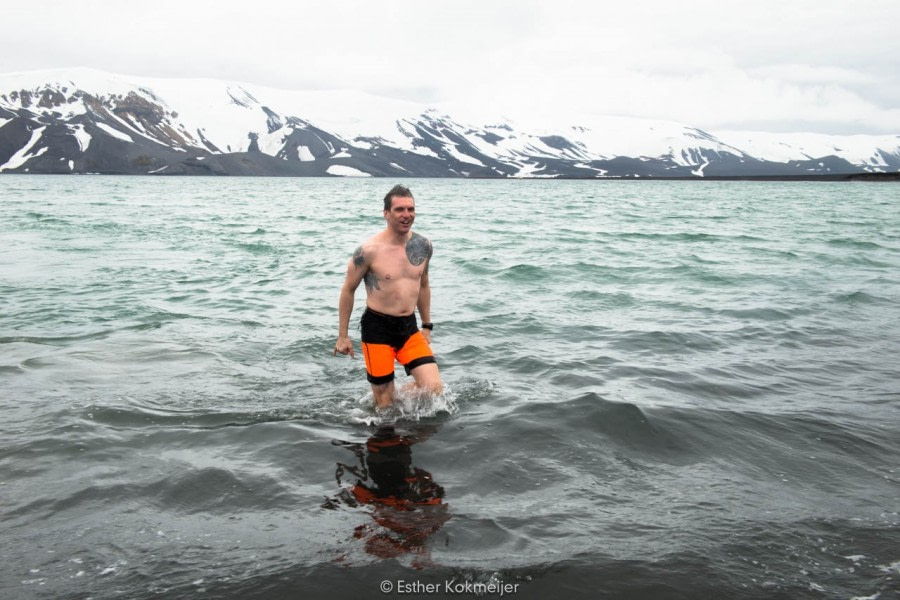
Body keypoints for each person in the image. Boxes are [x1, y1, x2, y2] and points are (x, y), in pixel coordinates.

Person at [333, 185, 443, 408]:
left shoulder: (423, 246)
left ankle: (396, 395)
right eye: (399, 209)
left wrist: (427, 326)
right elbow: (348, 290)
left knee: (433, 389)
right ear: (386, 213)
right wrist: (343, 336)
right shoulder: (368, 251)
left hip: (409, 328)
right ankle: (384, 401)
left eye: (410, 209)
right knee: (384, 405)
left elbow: (423, 284)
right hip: (377, 329)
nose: (406, 215)